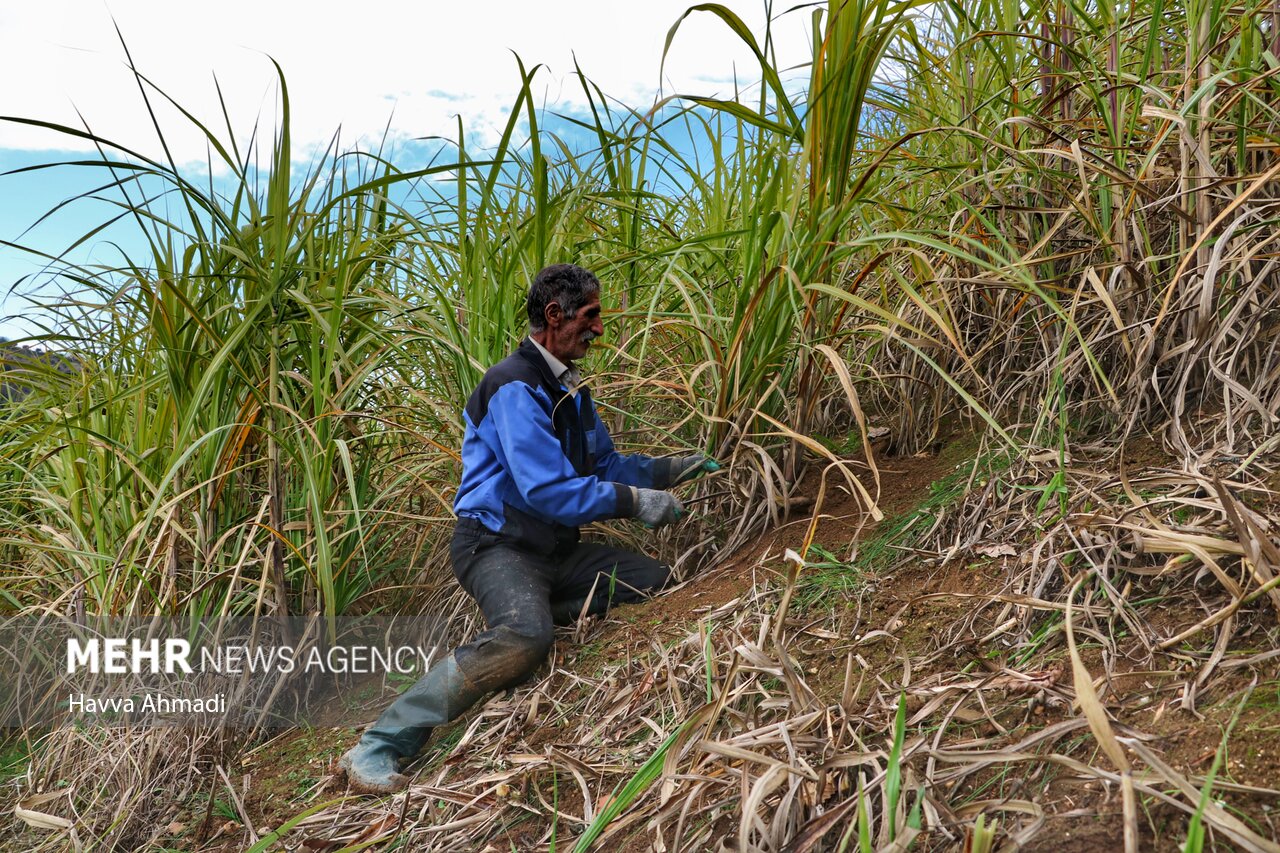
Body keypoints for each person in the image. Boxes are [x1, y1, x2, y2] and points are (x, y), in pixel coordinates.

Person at [339, 263, 718, 793]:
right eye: (590, 316)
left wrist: (669, 469)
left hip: (554, 549)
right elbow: (546, 489)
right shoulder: (513, 385)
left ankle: (541, 608)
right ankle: (380, 743)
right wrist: (638, 503)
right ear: (555, 315)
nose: (599, 328)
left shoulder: (570, 391)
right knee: (524, 637)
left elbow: (602, 466)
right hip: (497, 546)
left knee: (650, 579)